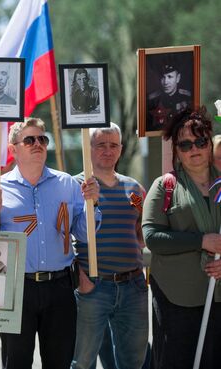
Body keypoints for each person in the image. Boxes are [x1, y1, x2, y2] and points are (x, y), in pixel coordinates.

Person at [0, 117, 100, 369]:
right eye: (29, 140)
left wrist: (93, 205)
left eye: (42, 139)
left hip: (59, 288)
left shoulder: (68, 184)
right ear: (13, 150)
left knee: (59, 363)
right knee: (16, 363)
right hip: (16, 290)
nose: (38, 144)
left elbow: (83, 233)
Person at [142, 107, 221, 369]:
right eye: (185, 144)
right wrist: (200, 241)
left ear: (210, 144)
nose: (194, 149)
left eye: (200, 141)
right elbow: (152, 237)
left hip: (217, 299)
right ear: (176, 150)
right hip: (176, 302)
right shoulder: (165, 186)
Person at [70, 123, 149, 369]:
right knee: (82, 362)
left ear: (120, 149)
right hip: (93, 287)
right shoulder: (75, 187)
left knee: (134, 361)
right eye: (101, 144)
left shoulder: (133, 190)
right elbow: (62, 236)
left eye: (113, 145)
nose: (107, 150)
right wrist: (81, 277)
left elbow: (142, 226)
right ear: (89, 148)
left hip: (133, 286)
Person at [147, 63, 191, 130]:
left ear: (178, 78)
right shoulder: (152, 100)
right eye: (163, 77)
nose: (165, 82)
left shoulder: (187, 98)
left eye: (170, 77)